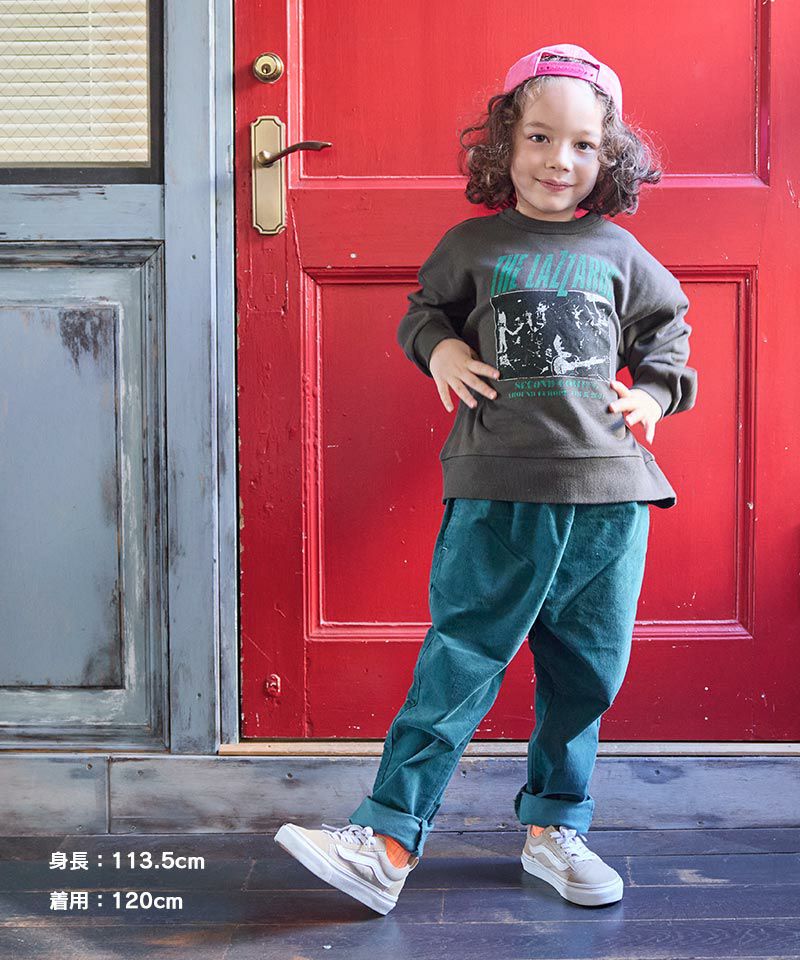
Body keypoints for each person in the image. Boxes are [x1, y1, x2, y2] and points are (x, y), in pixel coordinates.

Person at [274, 42, 698, 916]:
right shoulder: (471, 245)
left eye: (584, 145)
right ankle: (387, 840)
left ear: (609, 157)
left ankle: (555, 830)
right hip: (496, 490)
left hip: (610, 500)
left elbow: (670, 338)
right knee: (460, 659)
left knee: (587, 674)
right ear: (505, 142)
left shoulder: (622, 254)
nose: (559, 161)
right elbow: (423, 314)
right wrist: (441, 349)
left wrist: (654, 394)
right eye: (540, 137)